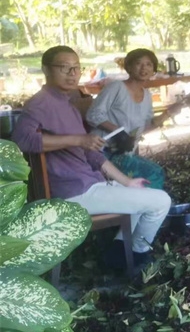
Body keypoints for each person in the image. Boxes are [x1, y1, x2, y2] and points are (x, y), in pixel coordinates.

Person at [12, 46, 171, 268]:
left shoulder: (65, 103)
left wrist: (126, 181)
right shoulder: (40, 103)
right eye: (64, 67)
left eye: (76, 68)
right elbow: (22, 140)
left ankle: (118, 256)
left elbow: (91, 153)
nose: (72, 73)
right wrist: (77, 140)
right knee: (161, 201)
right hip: (73, 191)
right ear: (46, 69)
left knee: (142, 195)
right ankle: (137, 257)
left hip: (88, 183)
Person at [85, 48, 176, 190]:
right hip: (103, 151)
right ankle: (146, 204)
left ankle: (142, 203)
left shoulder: (147, 95)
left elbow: (144, 126)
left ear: (153, 69)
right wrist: (118, 131)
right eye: (138, 63)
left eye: (149, 64)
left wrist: (169, 113)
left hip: (124, 154)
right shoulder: (116, 87)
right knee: (154, 174)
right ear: (129, 67)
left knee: (152, 175)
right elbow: (93, 114)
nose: (144, 68)